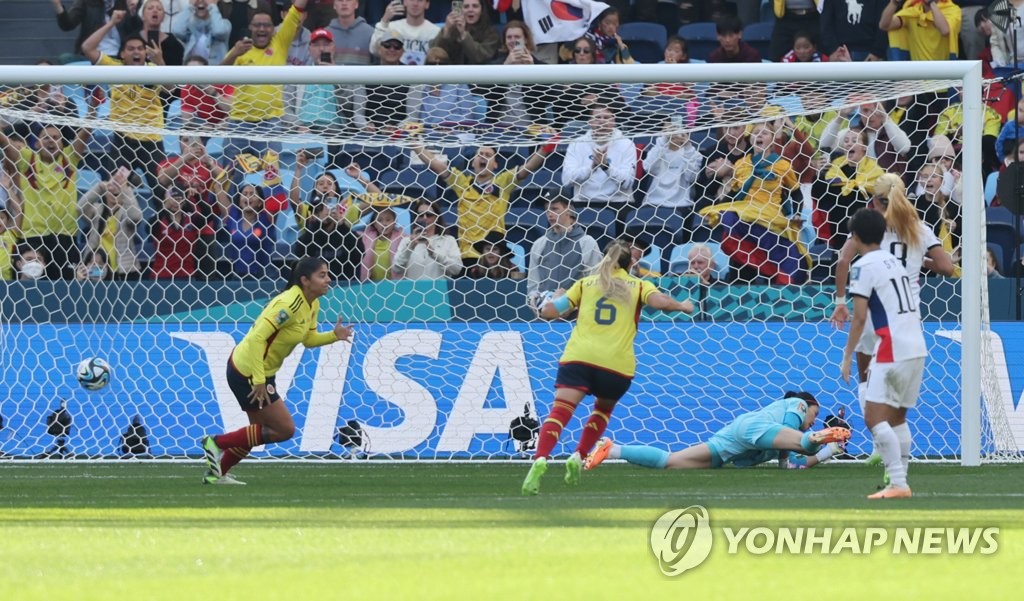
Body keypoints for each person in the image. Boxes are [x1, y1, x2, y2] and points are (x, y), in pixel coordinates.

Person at [521, 239, 696, 495]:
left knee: (560, 411)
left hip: (579, 357)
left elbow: (550, 312)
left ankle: (541, 458)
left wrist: (554, 298)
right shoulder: (638, 285)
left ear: (603, 259)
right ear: (631, 262)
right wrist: (682, 305)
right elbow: (659, 302)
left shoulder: (585, 284)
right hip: (616, 365)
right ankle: (579, 456)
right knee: (602, 411)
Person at [201, 256, 354, 484]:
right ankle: (216, 443)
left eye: (327, 274)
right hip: (247, 371)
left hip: (258, 371)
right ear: (304, 280)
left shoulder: (312, 303)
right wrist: (259, 379)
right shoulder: (287, 304)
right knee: (284, 429)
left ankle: (216, 474)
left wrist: (334, 336)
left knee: (259, 431)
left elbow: (309, 339)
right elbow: (257, 338)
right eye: (322, 275)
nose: (328, 280)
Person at [831, 174, 954, 437]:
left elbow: (843, 261)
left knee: (866, 379)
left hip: (873, 311)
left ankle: (879, 443)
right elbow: (946, 267)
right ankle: (894, 452)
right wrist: (921, 260)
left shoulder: (870, 227)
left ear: (874, 200)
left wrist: (840, 301)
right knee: (896, 395)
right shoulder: (918, 228)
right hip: (906, 316)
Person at [840, 208, 927, 499]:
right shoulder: (895, 262)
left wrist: (847, 355)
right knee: (898, 418)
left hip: (892, 347)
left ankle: (899, 483)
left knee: (874, 417)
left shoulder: (863, 266)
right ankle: (900, 482)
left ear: (855, 236)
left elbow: (860, 317)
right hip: (916, 346)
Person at [584, 391, 851, 471]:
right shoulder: (798, 404)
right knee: (806, 441)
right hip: (753, 429)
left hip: (732, 439)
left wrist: (830, 451)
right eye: (816, 415)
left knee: (670, 462)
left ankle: (611, 449)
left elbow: (793, 466)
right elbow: (801, 445)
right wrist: (816, 441)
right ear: (809, 406)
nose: (813, 418)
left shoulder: (786, 433)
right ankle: (826, 437)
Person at [526, 196, 602, 312]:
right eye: (547, 210)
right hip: (545, 316)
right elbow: (533, 285)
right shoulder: (539, 244)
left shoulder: (587, 243)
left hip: (577, 316)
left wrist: (573, 304)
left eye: (554, 209)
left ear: (568, 211)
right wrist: (534, 302)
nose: (549, 214)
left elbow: (596, 283)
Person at [393, 200, 462, 280]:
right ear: (416, 218)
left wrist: (433, 253)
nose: (424, 218)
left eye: (429, 215)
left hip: (440, 290)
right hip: (412, 291)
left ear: (436, 217)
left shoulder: (448, 240)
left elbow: (457, 269)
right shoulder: (406, 241)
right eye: (421, 215)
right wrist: (410, 247)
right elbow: (396, 269)